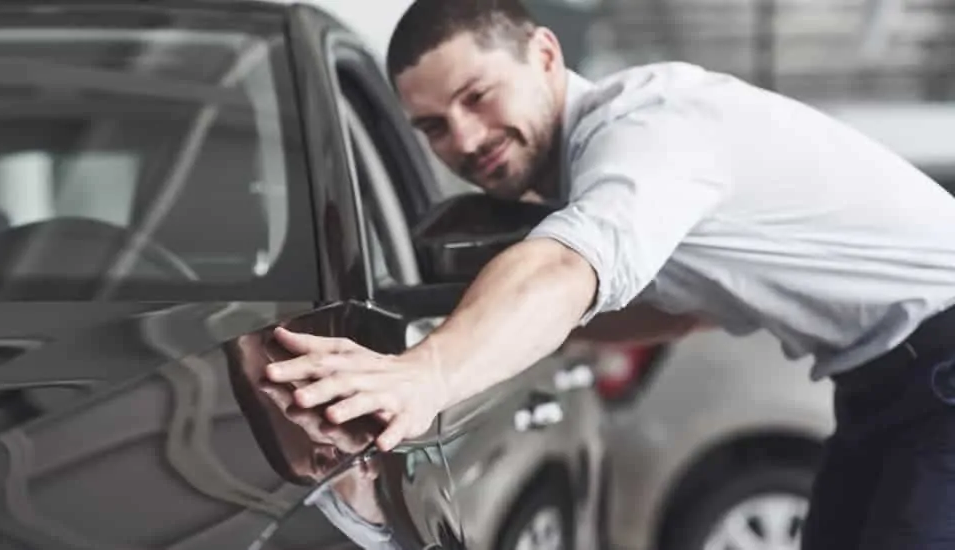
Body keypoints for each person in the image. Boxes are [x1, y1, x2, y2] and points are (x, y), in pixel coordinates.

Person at [263, 0, 955, 548]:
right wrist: (491, 332)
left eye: (477, 96)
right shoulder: (612, 170)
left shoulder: (646, 129)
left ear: (544, 55)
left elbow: (567, 263)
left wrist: (425, 374)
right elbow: (681, 311)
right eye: (434, 127)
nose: (464, 139)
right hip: (890, 388)